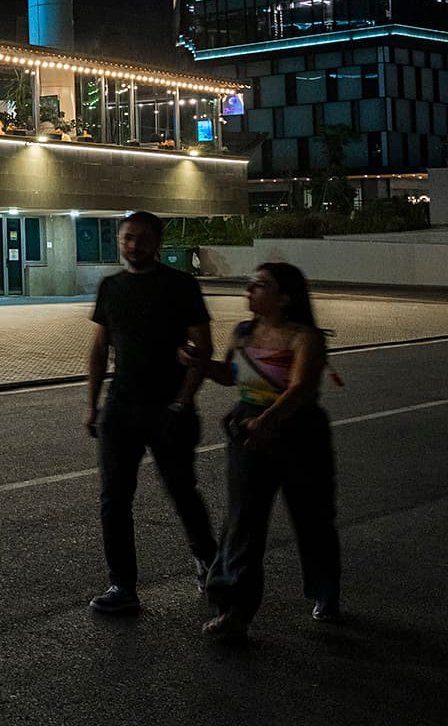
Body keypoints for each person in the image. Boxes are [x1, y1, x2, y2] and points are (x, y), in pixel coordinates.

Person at [188, 262, 340, 640]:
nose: (250, 291)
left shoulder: (304, 338)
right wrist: (200, 364)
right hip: (249, 432)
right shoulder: (243, 333)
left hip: (298, 433)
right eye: (251, 284)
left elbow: (302, 387)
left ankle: (324, 589)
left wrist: (268, 420)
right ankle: (234, 609)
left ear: (285, 297)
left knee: (312, 517)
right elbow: (230, 375)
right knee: (243, 519)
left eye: (261, 286)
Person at [83, 210, 218, 614]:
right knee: (114, 499)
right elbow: (99, 347)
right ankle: (122, 585)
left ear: (157, 243)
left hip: (167, 408)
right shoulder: (111, 287)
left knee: (181, 490)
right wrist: (92, 405)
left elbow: (203, 347)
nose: (133, 245)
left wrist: (183, 400)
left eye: (141, 238)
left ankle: (209, 562)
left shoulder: (180, 286)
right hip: (121, 405)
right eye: (127, 238)